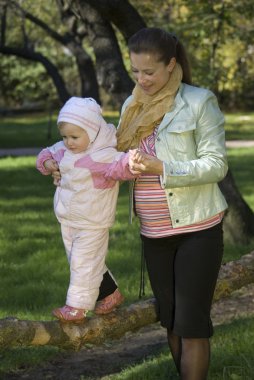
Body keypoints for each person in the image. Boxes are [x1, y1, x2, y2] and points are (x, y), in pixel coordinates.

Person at [116, 27, 228, 380]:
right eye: (135, 71)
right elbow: (108, 158)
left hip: (198, 229)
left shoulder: (198, 101)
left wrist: (163, 167)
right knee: (172, 321)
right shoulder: (131, 106)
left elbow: (216, 164)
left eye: (149, 72)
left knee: (192, 324)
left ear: (171, 65)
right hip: (153, 233)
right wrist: (60, 166)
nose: (142, 79)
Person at [36, 97, 136, 323]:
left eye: (74, 137)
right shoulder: (63, 151)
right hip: (68, 218)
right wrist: (48, 164)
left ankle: (76, 307)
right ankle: (111, 294)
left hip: (93, 221)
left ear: (92, 132)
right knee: (85, 261)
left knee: (83, 262)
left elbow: (121, 166)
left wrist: (134, 161)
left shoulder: (102, 155)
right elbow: (44, 155)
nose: (69, 142)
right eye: (65, 137)